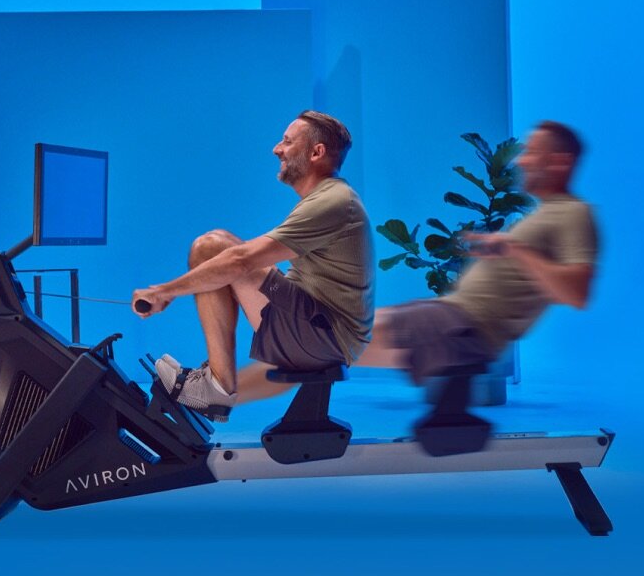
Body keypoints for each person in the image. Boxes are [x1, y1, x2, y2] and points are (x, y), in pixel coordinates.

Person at [237, 119, 598, 400]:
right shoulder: (547, 213)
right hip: (450, 315)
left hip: (464, 327)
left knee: (320, 344)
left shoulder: (573, 213)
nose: (522, 159)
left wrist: (515, 249)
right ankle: (221, 397)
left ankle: (219, 397)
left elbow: (576, 293)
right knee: (315, 346)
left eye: (534, 153)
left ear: (561, 161)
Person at [132, 110, 375, 422]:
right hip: (322, 329)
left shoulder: (333, 201)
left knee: (212, 247)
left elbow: (242, 260)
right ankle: (216, 383)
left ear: (316, 152)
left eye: (287, 142)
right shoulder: (329, 197)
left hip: (326, 337)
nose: (277, 149)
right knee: (219, 250)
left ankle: (216, 388)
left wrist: (164, 292)